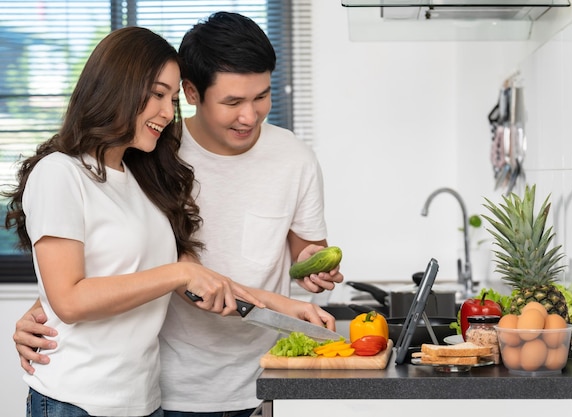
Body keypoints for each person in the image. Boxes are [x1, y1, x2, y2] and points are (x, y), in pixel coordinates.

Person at [12, 11, 343, 417]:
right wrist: (46, 303)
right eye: (157, 94)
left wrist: (284, 304)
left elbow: (178, 271)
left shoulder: (140, 172)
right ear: (193, 92)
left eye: (261, 97)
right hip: (97, 397)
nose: (167, 112)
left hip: (148, 396)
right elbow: (76, 291)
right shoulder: (95, 166)